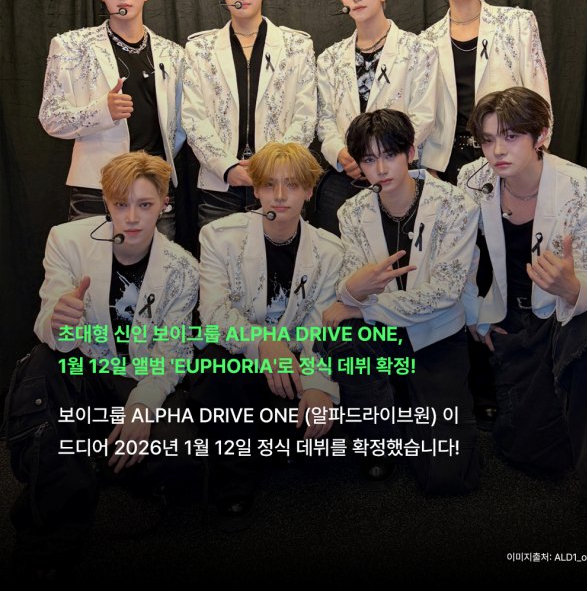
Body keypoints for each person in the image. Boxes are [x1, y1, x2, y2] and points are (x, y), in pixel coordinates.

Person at [458, 87, 587, 547]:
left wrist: (571, 286)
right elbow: (459, 259)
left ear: (541, 136)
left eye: (511, 137)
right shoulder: (471, 181)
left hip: (573, 307)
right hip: (515, 315)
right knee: (532, 453)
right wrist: (476, 313)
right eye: (488, 139)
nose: (497, 151)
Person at [5, 152, 200, 572]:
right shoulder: (67, 240)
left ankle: (87, 462)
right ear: (107, 202)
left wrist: (143, 406)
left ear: (164, 204)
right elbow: (49, 323)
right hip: (84, 368)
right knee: (44, 363)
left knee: (184, 455)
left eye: (144, 204)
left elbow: (173, 352)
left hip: (136, 377)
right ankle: (51, 532)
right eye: (120, 204)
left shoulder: (183, 267)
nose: (131, 217)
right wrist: (58, 319)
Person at [321, 110, 480, 493]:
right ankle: (377, 437)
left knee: (447, 477)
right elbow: (352, 284)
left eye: (389, 155)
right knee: (342, 336)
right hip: (380, 335)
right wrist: (352, 294)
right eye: (369, 159)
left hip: (437, 333)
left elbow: (444, 293)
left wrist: (360, 304)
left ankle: (412, 403)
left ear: (410, 152)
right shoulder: (352, 213)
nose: (381, 169)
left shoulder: (456, 204)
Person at [191, 142, 343, 521]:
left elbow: (320, 326)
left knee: (320, 433)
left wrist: (316, 384)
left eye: (291, 185)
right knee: (215, 368)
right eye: (270, 185)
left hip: (293, 362)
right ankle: (234, 480)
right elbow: (213, 313)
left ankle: (273, 439)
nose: (280, 195)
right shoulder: (218, 236)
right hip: (240, 355)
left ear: (308, 191)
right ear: (256, 190)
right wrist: (263, 343)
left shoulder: (331, 251)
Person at [38, 0, 185, 240]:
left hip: (154, 187)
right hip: (97, 188)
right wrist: (102, 111)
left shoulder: (174, 54)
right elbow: (50, 117)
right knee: (92, 268)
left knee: (159, 267)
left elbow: (179, 128)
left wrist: (160, 170)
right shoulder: (71, 46)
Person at [182, 0, 317, 229]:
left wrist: (272, 168)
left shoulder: (297, 46)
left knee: (282, 256)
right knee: (220, 257)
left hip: (280, 186)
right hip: (219, 187)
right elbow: (193, 118)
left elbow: (305, 117)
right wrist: (227, 167)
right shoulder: (200, 49)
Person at [315, 0, 437, 236]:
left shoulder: (419, 50)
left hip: (400, 177)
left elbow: (423, 116)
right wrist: (342, 153)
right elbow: (325, 120)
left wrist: (378, 156)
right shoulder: (329, 58)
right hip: (345, 178)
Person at [421, 0, 552, 184]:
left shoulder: (517, 23)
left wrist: (538, 153)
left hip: (510, 150)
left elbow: (539, 95)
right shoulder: (426, 41)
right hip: (449, 161)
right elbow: (426, 111)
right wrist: (429, 166)